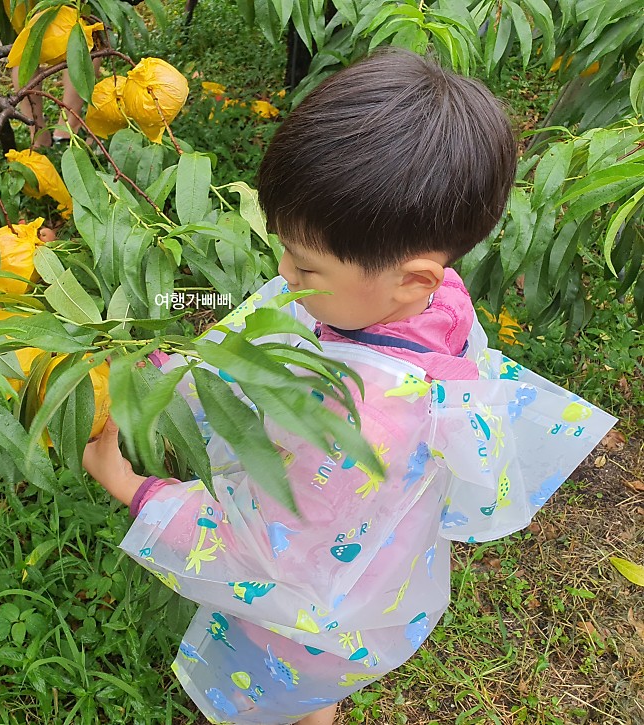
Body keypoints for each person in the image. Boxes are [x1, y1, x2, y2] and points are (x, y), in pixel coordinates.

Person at [82, 48, 617, 724]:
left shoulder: (356, 424)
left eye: (305, 268)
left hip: (312, 607)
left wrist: (133, 487)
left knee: (280, 679)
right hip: (378, 576)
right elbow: (265, 336)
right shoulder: (430, 299)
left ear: (410, 277)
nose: (284, 274)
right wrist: (167, 361)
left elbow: (262, 547)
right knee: (318, 690)